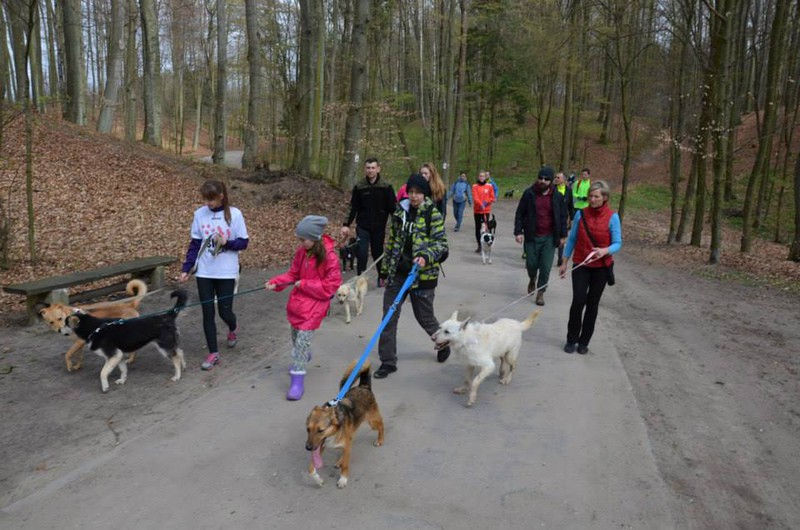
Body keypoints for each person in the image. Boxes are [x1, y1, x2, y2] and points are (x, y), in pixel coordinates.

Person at [374, 173, 449, 379]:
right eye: (411, 192)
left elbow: (442, 245)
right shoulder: (400, 212)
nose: (414, 196)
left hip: (422, 276)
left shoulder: (432, 214)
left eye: (418, 192)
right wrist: (384, 269)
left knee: (424, 317)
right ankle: (388, 361)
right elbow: (392, 242)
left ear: (425, 194)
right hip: (398, 274)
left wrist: (425, 256)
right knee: (388, 317)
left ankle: (443, 342)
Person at [266, 216, 342, 400]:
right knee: (295, 337)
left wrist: (305, 284)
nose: (300, 243)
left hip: (315, 306)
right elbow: (293, 274)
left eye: (303, 239)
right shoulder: (302, 252)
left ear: (314, 237)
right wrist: (276, 282)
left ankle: (297, 382)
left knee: (300, 343)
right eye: (299, 239)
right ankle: (302, 355)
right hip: (298, 304)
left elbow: (331, 286)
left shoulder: (330, 257)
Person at [179, 180, 249, 370]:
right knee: (207, 312)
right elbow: (195, 244)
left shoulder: (235, 214)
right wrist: (186, 268)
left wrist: (227, 243)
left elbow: (243, 242)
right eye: (205, 199)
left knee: (225, 312)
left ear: (221, 197)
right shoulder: (199, 214)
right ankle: (213, 353)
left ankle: (233, 327)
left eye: (211, 200)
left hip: (226, 271)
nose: (207, 203)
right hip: (205, 271)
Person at [558, 180, 622, 355]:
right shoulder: (581, 215)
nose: (592, 200)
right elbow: (572, 239)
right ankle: (571, 339)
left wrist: (605, 250)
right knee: (578, 301)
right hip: (581, 264)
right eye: (590, 196)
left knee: (592, 304)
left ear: (605, 198)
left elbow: (618, 243)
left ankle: (584, 342)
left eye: (596, 196)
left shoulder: (613, 217)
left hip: (601, 267)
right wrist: (564, 262)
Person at [513, 166, 568, 306]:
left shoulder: (557, 196)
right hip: (532, 235)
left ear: (551, 181)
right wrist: (518, 232)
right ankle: (532, 278)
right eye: (540, 178)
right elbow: (520, 213)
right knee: (531, 264)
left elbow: (562, 216)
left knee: (545, 267)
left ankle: (541, 292)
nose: (543, 181)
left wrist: (563, 235)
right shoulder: (529, 193)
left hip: (549, 237)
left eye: (546, 179)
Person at [341, 158, 396, 286]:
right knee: (362, 252)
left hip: (379, 226)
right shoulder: (359, 186)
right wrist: (346, 224)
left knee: (378, 252)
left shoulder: (386, 187)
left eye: (373, 168)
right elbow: (353, 207)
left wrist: (397, 224)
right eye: (368, 168)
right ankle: (361, 278)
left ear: (378, 169)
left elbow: (393, 208)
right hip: (363, 226)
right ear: (364, 169)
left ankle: (382, 277)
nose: (370, 170)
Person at [553, 171, 575, 266]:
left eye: (558, 177)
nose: (556, 179)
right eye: (555, 177)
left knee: (562, 237)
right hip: (553, 217)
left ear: (564, 180)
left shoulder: (568, 190)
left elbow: (570, 205)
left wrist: (572, 218)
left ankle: (560, 258)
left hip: (563, 218)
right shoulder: (552, 189)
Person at [472, 170, 496, 253]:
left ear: (485, 177)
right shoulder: (475, 186)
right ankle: (479, 245)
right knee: (478, 228)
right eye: (480, 176)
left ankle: (485, 244)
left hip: (486, 210)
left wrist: (486, 202)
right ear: (478, 177)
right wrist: (480, 204)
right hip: (477, 210)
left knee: (485, 227)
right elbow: (475, 198)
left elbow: (492, 197)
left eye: (483, 176)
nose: (481, 178)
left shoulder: (489, 186)